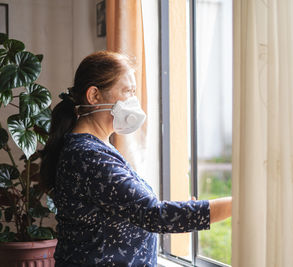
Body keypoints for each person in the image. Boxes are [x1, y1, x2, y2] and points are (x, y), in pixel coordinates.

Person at [39, 51, 232, 267]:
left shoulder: (95, 147)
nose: (133, 100)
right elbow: (154, 215)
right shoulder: (88, 156)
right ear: (94, 96)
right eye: (127, 91)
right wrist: (237, 204)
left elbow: (129, 206)